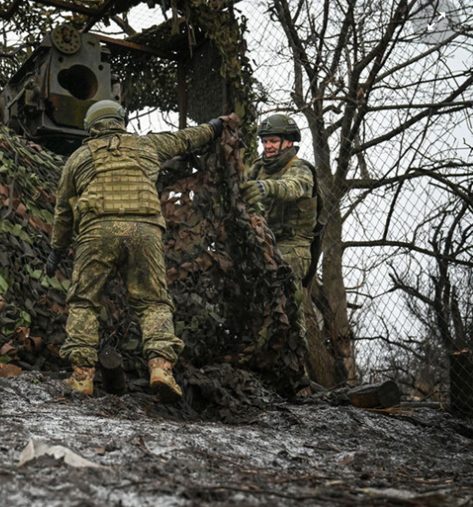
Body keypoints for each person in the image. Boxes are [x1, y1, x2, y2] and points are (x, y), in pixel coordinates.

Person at [46, 99, 227, 402]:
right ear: (121, 121)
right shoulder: (147, 146)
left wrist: (56, 250)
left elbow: (63, 211)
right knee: (153, 301)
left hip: (97, 231)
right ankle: (161, 370)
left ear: (91, 126)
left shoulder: (78, 158)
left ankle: (82, 379)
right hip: (144, 231)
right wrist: (214, 127)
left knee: (84, 301)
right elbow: (185, 138)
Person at [240, 114, 319, 390]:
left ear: (288, 142)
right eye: (264, 141)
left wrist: (265, 187)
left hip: (293, 246)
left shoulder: (301, 169)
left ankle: (298, 376)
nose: (268, 146)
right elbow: (240, 189)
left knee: (290, 306)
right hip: (263, 244)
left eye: (272, 140)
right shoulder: (258, 167)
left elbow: (293, 188)